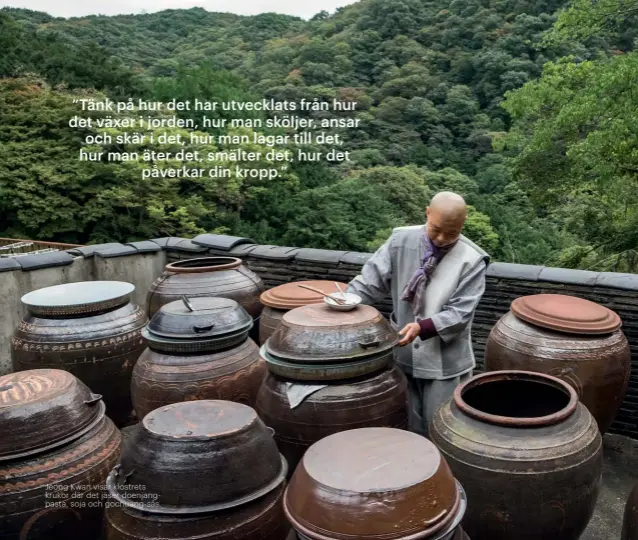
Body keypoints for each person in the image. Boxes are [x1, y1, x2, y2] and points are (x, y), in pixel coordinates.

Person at [346, 191, 489, 437]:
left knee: (443, 428)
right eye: (436, 229)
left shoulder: (472, 259)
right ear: (427, 213)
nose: (442, 238)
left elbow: (460, 313)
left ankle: (441, 474)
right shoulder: (400, 240)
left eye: (452, 233)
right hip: (401, 352)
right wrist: (346, 302)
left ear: (463, 225)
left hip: (445, 361)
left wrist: (422, 327)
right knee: (406, 423)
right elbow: (371, 281)